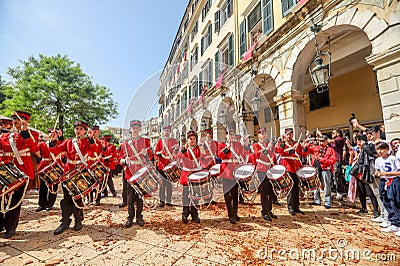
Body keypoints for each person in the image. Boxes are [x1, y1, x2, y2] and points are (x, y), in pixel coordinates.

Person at [49, 120, 95, 235]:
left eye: (81, 129)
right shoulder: (69, 142)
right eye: (76, 128)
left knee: (78, 198)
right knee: (66, 199)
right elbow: (55, 150)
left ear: (85, 131)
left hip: (80, 174)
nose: (78, 131)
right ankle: (65, 221)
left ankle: (78, 220)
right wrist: (53, 140)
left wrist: (91, 139)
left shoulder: (87, 142)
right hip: (68, 173)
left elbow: (94, 150)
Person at [0, 110, 38, 238]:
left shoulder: (32, 134)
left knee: (15, 199)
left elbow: (33, 148)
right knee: (2, 198)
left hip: (22, 171)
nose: (16, 121)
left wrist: (25, 130)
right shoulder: (5, 136)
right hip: (6, 170)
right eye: (15, 119)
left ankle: (10, 227)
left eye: (21, 119)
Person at [119, 120, 153, 228]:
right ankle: (130, 217)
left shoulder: (146, 141)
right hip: (130, 172)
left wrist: (146, 154)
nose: (135, 129)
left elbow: (151, 157)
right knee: (130, 196)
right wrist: (125, 161)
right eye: (133, 127)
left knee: (140, 195)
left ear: (140, 129)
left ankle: (139, 216)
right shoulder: (125, 143)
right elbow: (120, 158)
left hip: (141, 171)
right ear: (130, 129)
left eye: (137, 127)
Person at [218, 128, 250, 224]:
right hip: (226, 171)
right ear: (225, 135)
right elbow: (220, 155)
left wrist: (246, 144)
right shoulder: (222, 145)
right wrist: (227, 148)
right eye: (229, 134)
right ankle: (230, 214)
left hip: (235, 171)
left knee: (235, 194)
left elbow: (244, 155)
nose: (231, 136)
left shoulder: (238, 145)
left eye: (232, 134)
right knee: (227, 195)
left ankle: (234, 213)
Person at [275, 128, 306, 216]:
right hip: (288, 168)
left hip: (296, 169)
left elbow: (302, 154)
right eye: (287, 134)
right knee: (290, 189)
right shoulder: (283, 144)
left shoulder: (296, 143)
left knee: (297, 188)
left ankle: (296, 207)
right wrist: (287, 149)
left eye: (291, 134)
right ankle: (290, 207)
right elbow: (279, 152)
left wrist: (304, 147)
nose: (289, 136)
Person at [374, 141, 400, 235]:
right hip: (383, 181)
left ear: (387, 149)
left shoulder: (393, 159)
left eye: (382, 149)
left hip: (393, 180)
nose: (380, 151)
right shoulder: (378, 160)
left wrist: (388, 174)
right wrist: (377, 173)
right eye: (378, 149)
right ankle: (393, 222)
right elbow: (377, 170)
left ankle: (398, 223)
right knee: (385, 200)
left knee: (395, 202)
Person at [35, 128, 64, 212]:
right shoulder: (43, 144)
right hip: (44, 166)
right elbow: (36, 150)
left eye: (55, 133)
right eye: (51, 133)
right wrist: (41, 158)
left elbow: (64, 149)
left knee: (53, 185)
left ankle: (50, 204)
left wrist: (61, 137)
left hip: (55, 166)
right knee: (43, 186)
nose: (53, 135)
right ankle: (42, 204)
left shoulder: (60, 144)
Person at [178, 130, 203, 223]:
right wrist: (184, 150)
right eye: (190, 139)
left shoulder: (199, 149)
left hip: (196, 175)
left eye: (194, 139)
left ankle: (194, 214)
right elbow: (179, 158)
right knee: (185, 196)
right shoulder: (183, 150)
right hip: (186, 175)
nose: (192, 141)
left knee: (195, 196)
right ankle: (185, 213)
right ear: (187, 140)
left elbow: (204, 159)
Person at [252, 127, 277, 221]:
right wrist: (267, 148)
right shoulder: (256, 145)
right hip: (261, 169)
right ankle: (264, 211)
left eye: (265, 133)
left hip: (269, 168)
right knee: (264, 191)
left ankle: (269, 210)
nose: (264, 135)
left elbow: (273, 156)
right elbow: (257, 154)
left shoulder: (269, 144)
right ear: (258, 135)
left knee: (271, 191)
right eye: (261, 133)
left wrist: (271, 147)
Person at [155, 125, 179, 207]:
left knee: (169, 184)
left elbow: (177, 153)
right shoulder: (160, 141)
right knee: (161, 184)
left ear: (170, 132)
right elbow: (156, 152)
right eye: (165, 131)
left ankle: (168, 200)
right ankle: (162, 201)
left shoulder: (174, 141)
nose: (166, 132)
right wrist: (160, 154)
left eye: (168, 131)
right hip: (161, 166)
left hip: (170, 165)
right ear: (163, 132)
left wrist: (176, 149)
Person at [310, 135, 336, 209]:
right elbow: (307, 151)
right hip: (316, 168)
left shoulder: (330, 150)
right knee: (316, 184)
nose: (320, 142)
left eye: (322, 141)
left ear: (326, 141)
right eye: (319, 140)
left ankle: (327, 202)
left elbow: (333, 160)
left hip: (326, 169)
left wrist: (322, 160)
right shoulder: (316, 148)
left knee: (326, 185)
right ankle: (317, 200)